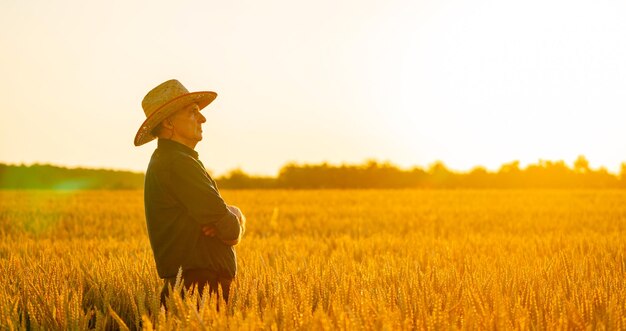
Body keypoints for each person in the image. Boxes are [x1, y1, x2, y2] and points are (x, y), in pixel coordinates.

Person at [134, 79, 246, 306]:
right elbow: (230, 228)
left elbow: (225, 225)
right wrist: (235, 216)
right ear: (169, 123)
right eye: (193, 111)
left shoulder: (171, 161)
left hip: (193, 289)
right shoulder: (178, 163)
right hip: (199, 290)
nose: (203, 118)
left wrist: (229, 216)